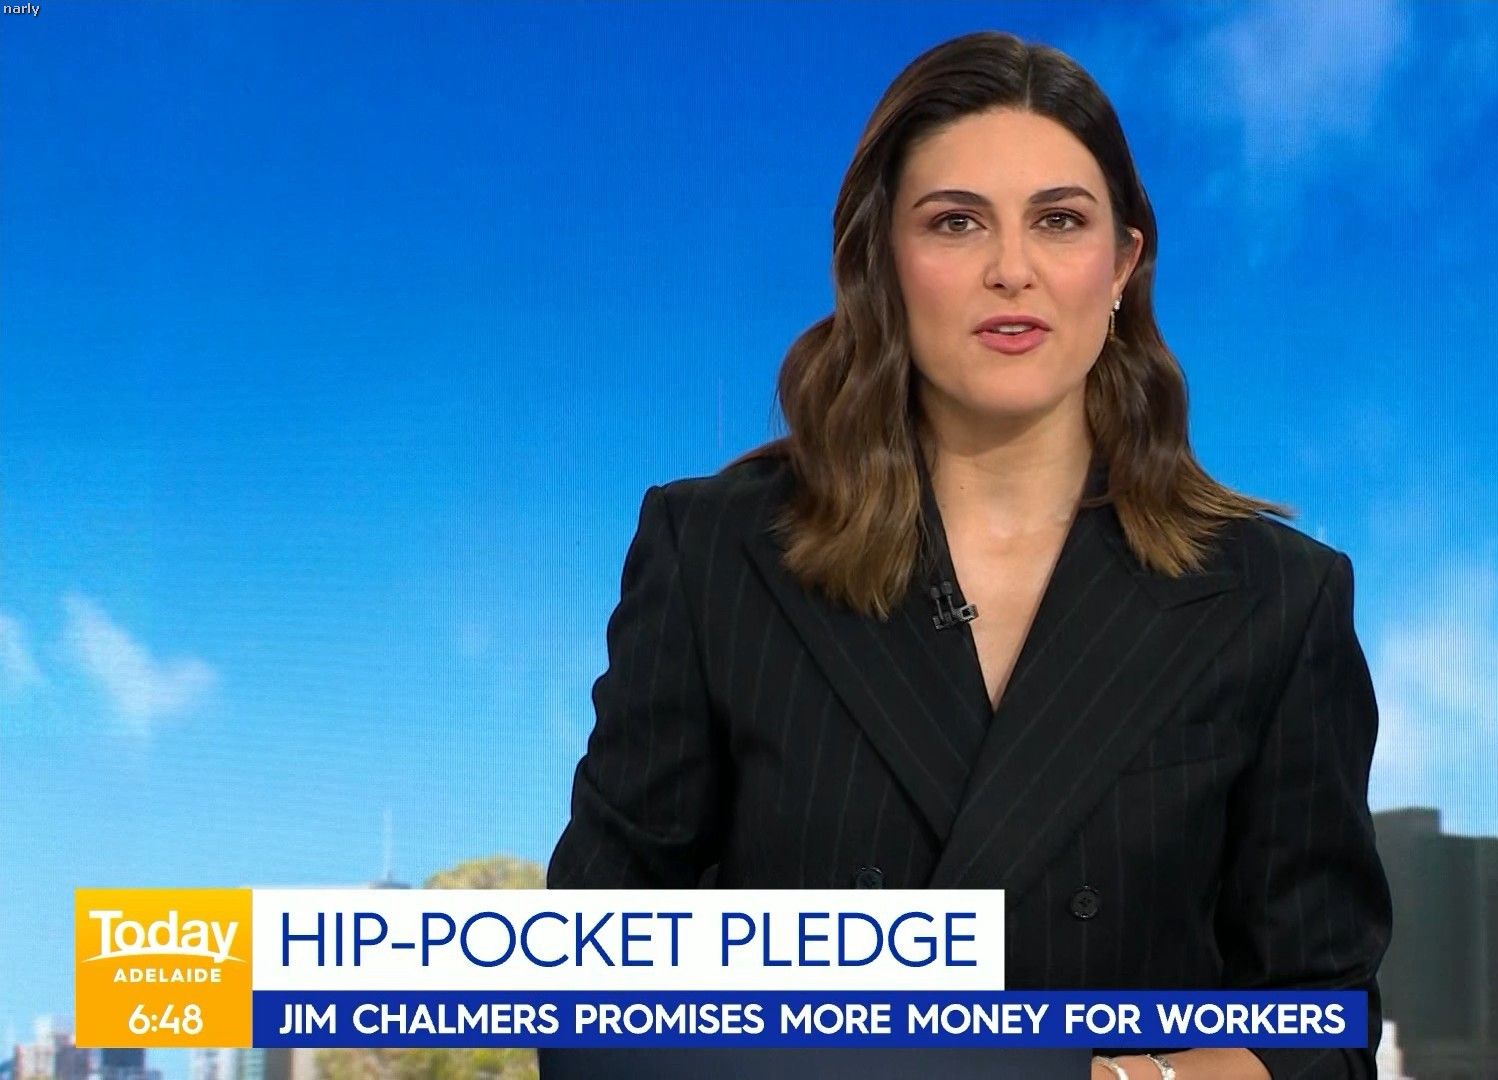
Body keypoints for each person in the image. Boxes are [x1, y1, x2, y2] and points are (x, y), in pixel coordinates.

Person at [545, 29, 1392, 1080]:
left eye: (1060, 221)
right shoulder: (716, 552)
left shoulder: (1278, 597)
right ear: (881, 261)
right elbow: (591, 998)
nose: (1012, 270)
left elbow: (1320, 1024)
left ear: (1122, 264)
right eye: (956, 222)